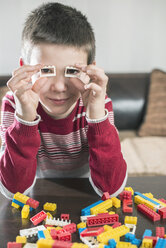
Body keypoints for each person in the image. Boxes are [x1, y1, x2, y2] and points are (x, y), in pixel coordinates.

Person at [0, 2, 127, 199]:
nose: (59, 87)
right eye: (45, 71)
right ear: (24, 67)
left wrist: (96, 118)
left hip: (87, 188)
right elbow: (13, 191)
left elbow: (110, 189)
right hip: (36, 188)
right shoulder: (13, 105)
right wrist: (24, 119)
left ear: (90, 69)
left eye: (72, 71)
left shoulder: (98, 104)